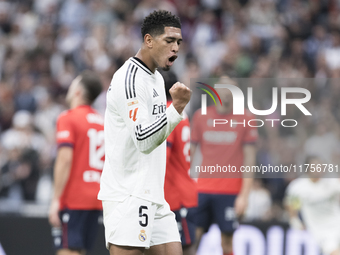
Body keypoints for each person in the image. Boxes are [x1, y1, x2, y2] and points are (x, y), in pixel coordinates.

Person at [98, 10, 191, 255]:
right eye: (169, 41)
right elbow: (144, 138)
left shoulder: (157, 80)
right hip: (128, 195)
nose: (175, 48)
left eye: (178, 42)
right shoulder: (129, 78)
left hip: (155, 196)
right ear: (149, 40)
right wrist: (177, 109)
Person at [190, 77, 257, 255]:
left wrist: (244, 196)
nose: (227, 92)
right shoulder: (200, 116)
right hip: (202, 189)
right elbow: (189, 155)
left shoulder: (246, 118)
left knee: (227, 242)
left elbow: (250, 161)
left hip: (230, 192)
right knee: (193, 238)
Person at [48, 70, 104, 255]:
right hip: (97, 198)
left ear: (78, 91)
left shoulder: (68, 117)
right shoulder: (102, 122)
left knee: (67, 250)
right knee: (80, 250)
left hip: (74, 198)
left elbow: (64, 159)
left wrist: (56, 199)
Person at [161, 70, 198, 255]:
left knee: (184, 247)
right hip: (184, 188)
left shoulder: (169, 112)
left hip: (175, 194)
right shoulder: (182, 113)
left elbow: (162, 157)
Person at [285, 156, 340, 255]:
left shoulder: (331, 182)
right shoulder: (298, 187)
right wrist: (294, 220)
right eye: (314, 166)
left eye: (320, 165)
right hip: (322, 231)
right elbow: (291, 205)